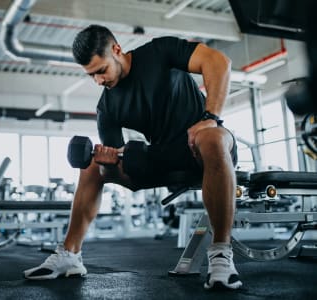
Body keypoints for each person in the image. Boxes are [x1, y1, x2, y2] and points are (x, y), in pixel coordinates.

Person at [23, 24, 242, 290]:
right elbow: (120, 159)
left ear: (116, 50)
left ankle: (220, 254)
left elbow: (218, 62)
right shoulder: (107, 106)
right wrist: (109, 161)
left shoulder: (160, 51)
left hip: (204, 148)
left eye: (101, 71)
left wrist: (210, 119)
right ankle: (70, 254)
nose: (99, 81)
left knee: (213, 137)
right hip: (164, 158)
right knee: (92, 165)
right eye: (91, 76)